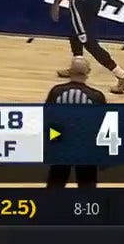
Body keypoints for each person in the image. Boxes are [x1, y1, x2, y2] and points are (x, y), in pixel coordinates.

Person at [45, 57, 104, 189]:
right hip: (86, 149)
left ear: (70, 71)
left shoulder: (56, 92)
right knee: (87, 187)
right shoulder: (96, 96)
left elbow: (47, 120)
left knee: (55, 184)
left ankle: (49, 208)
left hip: (61, 146)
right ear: (88, 72)